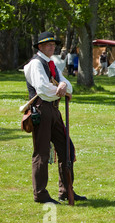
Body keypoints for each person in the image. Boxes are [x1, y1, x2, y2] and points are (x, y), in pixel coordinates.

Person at [23, 31, 86, 204]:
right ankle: (40, 194)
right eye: (48, 45)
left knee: (67, 149)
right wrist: (60, 90)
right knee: (42, 153)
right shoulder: (36, 64)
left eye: (53, 45)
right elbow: (43, 89)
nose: (52, 47)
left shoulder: (51, 63)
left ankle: (66, 190)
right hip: (41, 110)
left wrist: (64, 85)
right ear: (40, 47)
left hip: (54, 110)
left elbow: (69, 86)